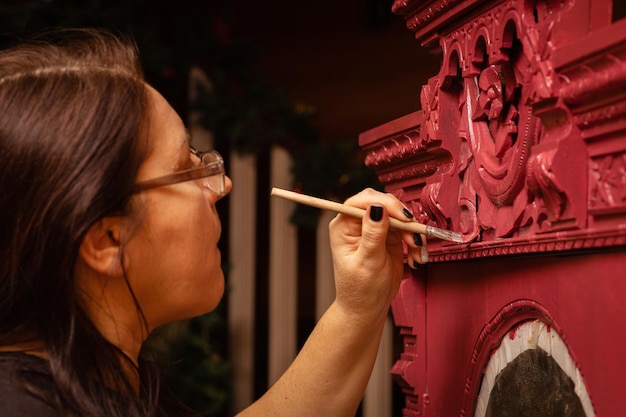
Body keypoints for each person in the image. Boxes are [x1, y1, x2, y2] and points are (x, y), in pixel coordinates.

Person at [0, 28, 428, 417]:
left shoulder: (92, 382)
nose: (222, 185)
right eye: (188, 169)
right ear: (109, 239)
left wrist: (358, 307)